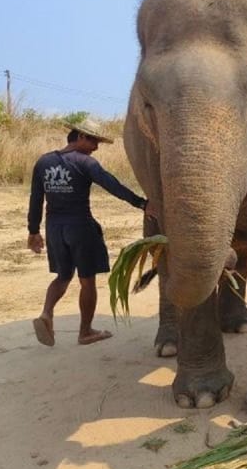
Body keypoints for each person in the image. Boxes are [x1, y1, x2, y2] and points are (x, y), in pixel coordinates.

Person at [27, 119, 154, 346]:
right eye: (94, 141)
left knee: (63, 277)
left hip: (54, 228)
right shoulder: (85, 163)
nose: (96, 147)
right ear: (81, 137)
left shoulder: (43, 162)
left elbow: (36, 199)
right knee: (87, 282)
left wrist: (33, 231)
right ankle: (85, 332)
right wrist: (142, 204)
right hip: (80, 228)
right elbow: (112, 185)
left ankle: (46, 313)